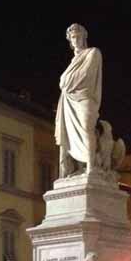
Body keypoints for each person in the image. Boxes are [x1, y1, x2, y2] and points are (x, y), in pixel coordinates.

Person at [55, 23, 102, 178]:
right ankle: (72, 169)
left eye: (78, 36)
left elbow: (86, 75)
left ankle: (91, 167)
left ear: (84, 37)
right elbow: (63, 82)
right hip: (68, 101)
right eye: (73, 37)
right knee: (68, 136)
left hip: (85, 98)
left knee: (87, 128)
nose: (76, 40)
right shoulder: (72, 62)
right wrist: (66, 82)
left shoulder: (93, 53)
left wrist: (66, 82)